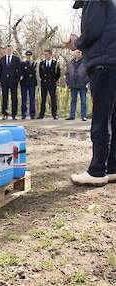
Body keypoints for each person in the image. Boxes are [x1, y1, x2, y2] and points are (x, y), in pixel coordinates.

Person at [66, 0, 116, 186]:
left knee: (101, 118)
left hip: (103, 63)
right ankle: (111, 167)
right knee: (112, 118)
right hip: (112, 63)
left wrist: (76, 42)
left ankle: (96, 171)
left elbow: (93, 31)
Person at [0, 44, 21, 120]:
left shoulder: (16, 59)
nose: (9, 51)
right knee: (5, 98)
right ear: (6, 50)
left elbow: (19, 70)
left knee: (14, 98)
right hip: (4, 81)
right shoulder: (2, 59)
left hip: (13, 81)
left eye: (10, 50)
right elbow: (0, 71)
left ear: (12, 50)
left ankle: (14, 114)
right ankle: (5, 114)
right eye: (7, 50)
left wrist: (17, 80)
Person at [65, 49, 89, 121]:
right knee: (73, 100)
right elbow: (67, 73)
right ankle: (72, 115)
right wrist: (68, 82)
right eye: (77, 52)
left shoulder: (85, 62)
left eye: (79, 52)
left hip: (82, 84)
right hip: (73, 84)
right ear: (74, 53)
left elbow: (89, 73)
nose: (78, 54)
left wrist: (86, 81)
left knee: (83, 101)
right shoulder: (70, 63)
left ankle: (83, 116)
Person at [38, 49, 61, 120]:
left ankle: (54, 114)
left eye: (46, 54)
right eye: (44, 54)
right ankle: (41, 114)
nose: (45, 56)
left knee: (53, 99)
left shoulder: (55, 63)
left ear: (50, 55)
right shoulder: (42, 63)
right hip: (44, 83)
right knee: (43, 99)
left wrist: (54, 80)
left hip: (52, 83)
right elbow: (41, 73)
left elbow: (58, 74)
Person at [20, 51, 37, 120]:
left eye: (29, 56)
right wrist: (28, 74)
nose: (28, 57)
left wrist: (27, 73)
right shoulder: (22, 64)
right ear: (25, 56)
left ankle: (32, 114)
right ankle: (23, 114)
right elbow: (22, 72)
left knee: (32, 99)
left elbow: (34, 72)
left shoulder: (34, 63)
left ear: (31, 56)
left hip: (32, 83)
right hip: (24, 83)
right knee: (24, 99)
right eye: (27, 56)